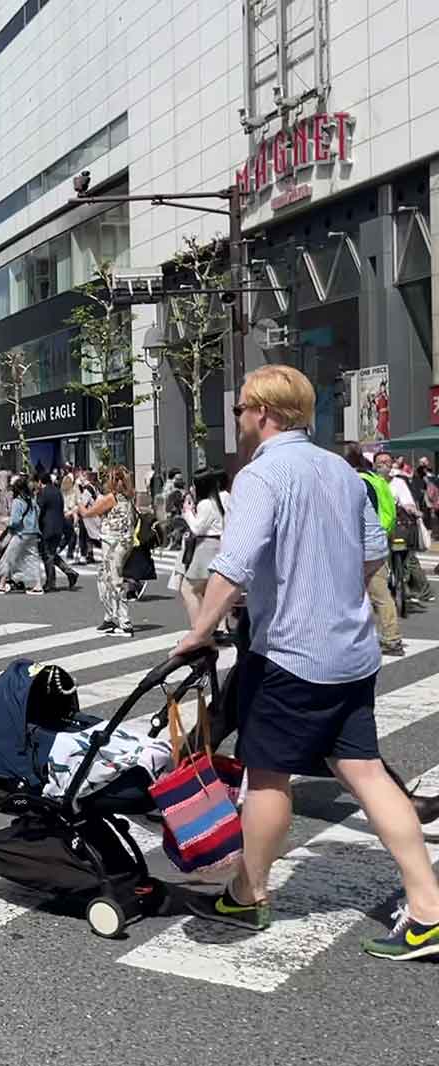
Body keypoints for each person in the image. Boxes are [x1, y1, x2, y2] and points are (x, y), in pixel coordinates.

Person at [173, 364, 439, 961]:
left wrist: (198, 632)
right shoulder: (339, 472)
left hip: (290, 656)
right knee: (367, 772)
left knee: (267, 774)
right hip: (351, 652)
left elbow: (232, 565)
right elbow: (373, 553)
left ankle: (249, 892)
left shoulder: (261, 477)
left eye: (242, 409)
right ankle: (428, 907)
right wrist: (329, 591)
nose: (237, 418)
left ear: (263, 413)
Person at [348, 449, 405, 656]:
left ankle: (358, 640)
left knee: (352, 596)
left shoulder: (354, 482)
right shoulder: (374, 479)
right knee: (381, 595)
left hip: (363, 547)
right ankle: (392, 639)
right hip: (379, 539)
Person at [78, 466, 136, 636]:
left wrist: (79, 500)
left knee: (113, 579)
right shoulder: (129, 496)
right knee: (107, 576)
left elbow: (87, 513)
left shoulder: (111, 498)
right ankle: (110, 617)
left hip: (112, 542)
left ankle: (124, 621)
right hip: (124, 541)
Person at [376, 450, 434, 608]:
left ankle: (408, 586)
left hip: (399, 528)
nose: (384, 465)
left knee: (407, 557)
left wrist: (414, 511)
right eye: (380, 462)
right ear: (374, 465)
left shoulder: (398, 482)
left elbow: (408, 502)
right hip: (377, 530)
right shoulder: (372, 482)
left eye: (387, 462)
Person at [174, 468, 227, 632]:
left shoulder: (205, 504)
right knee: (205, 592)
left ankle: (198, 630)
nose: (192, 488)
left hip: (205, 547)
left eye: (195, 485)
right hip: (215, 546)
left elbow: (197, 528)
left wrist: (188, 513)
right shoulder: (216, 501)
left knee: (188, 589)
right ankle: (213, 628)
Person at [0, 475, 44, 595]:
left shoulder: (18, 501)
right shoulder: (32, 500)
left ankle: (2, 584)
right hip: (33, 533)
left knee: (9, 557)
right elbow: (38, 512)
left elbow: (15, 521)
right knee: (33, 558)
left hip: (21, 533)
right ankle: (38, 585)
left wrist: (6, 522)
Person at [36, 472, 78, 592]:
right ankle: (70, 572)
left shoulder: (43, 493)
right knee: (51, 553)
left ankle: (51, 582)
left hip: (47, 527)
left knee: (47, 555)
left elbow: (39, 510)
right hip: (59, 527)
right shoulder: (57, 491)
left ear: (40, 481)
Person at [74, 469, 101, 564]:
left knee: (84, 535)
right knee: (90, 537)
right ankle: (90, 554)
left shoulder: (88, 489)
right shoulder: (96, 488)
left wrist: (78, 511)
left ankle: (83, 555)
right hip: (94, 515)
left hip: (87, 516)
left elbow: (83, 502)